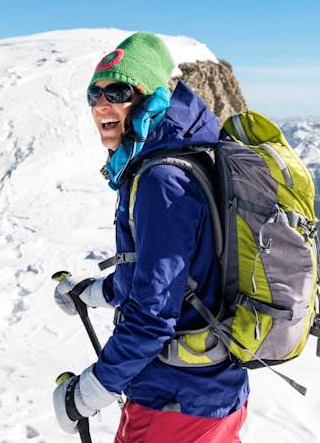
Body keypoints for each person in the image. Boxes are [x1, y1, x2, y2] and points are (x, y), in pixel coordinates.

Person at [52, 32, 249, 442]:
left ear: (148, 99)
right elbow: (160, 276)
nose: (102, 104)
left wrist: (89, 392)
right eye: (95, 94)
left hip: (175, 402)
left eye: (118, 91)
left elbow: (152, 315)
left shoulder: (161, 179)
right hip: (211, 393)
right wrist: (90, 293)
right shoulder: (178, 158)